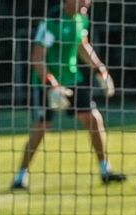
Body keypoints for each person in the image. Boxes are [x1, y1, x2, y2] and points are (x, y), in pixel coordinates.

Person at [12, 0, 127, 191]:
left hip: (73, 79)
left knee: (93, 119)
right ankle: (20, 177)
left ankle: (105, 170)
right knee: (42, 127)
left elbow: (83, 45)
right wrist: (52, 85)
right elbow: (37, 58)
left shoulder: (81, 19)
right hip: (46, 83)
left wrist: (101, 70)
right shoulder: (51, 22)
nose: (87, 3)